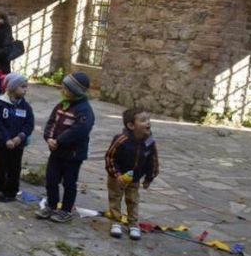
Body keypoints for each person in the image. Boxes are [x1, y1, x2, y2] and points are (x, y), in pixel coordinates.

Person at [36, 72, 95, 223]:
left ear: (75, 92)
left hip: (72, 155)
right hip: (56, 152)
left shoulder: (84, 111)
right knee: (51, 179)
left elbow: (79, 131)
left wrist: (59, 141)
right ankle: (51, 205)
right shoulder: (61, 106)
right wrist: (49, 138)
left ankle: (66, 210)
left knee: (69, 183)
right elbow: (50, 123)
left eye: (65, 89)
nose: (62, 91)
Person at [105, 108, 160, 240]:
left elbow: (153, 160)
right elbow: (110, 157)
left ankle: (133, 224)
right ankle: (116, 222)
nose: (148, 122)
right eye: (143, 120)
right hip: (117, 177)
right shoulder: (121, 139)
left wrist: (149, 178)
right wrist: (117, 174)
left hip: (134, 178)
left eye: (148, 119)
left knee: (133, 200)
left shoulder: (150, 142)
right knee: (115, 198)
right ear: (131, 125)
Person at [0, 73, 34, 202]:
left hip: (18, 144)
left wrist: (20, 137)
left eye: (26, 87)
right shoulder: (0, 105)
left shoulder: (25, 107)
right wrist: (6, 139)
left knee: (15, 167)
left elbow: (29, 123)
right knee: (1, 166)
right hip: (3, 144)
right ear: (12, 87)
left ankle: (11, 191)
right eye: (22, 87)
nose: (25, 90)